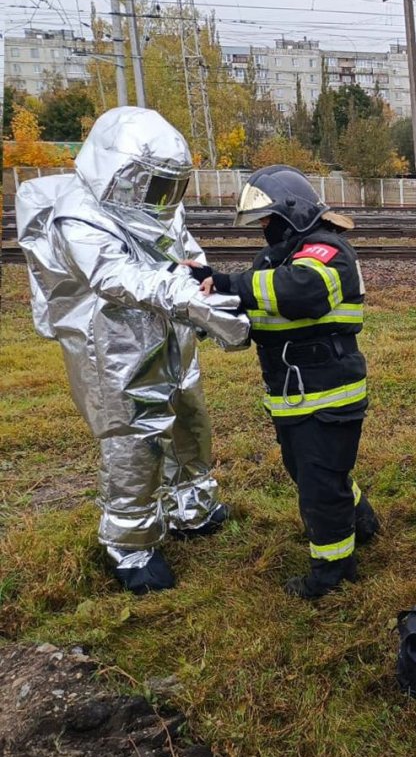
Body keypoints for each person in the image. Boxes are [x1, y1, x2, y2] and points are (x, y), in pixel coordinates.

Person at [15, 106, 250, 594]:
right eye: (154, 185)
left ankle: (192, 505)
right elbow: (113, 276)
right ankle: (131, 544)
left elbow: (182, 249)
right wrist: (190, 300)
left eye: (171, 187)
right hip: (113, 350)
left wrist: (202, 282)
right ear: (118, 173)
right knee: (134, 443)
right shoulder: (77, 214)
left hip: (170, 335)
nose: (163, 199)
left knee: (191, 422)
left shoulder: (157, 207)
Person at [197, 165, 379, 599]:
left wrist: (229, 282)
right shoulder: (275, 259)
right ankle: (362, 522)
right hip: (291, 396)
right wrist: (206, 302)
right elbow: (257, 307)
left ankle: (333, 573)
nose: (264, 229)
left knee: (320, 483)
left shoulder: (329, 252)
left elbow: (300, 291)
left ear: (292, 212)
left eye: (268, 219)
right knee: (311, 473)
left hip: (329, 394)